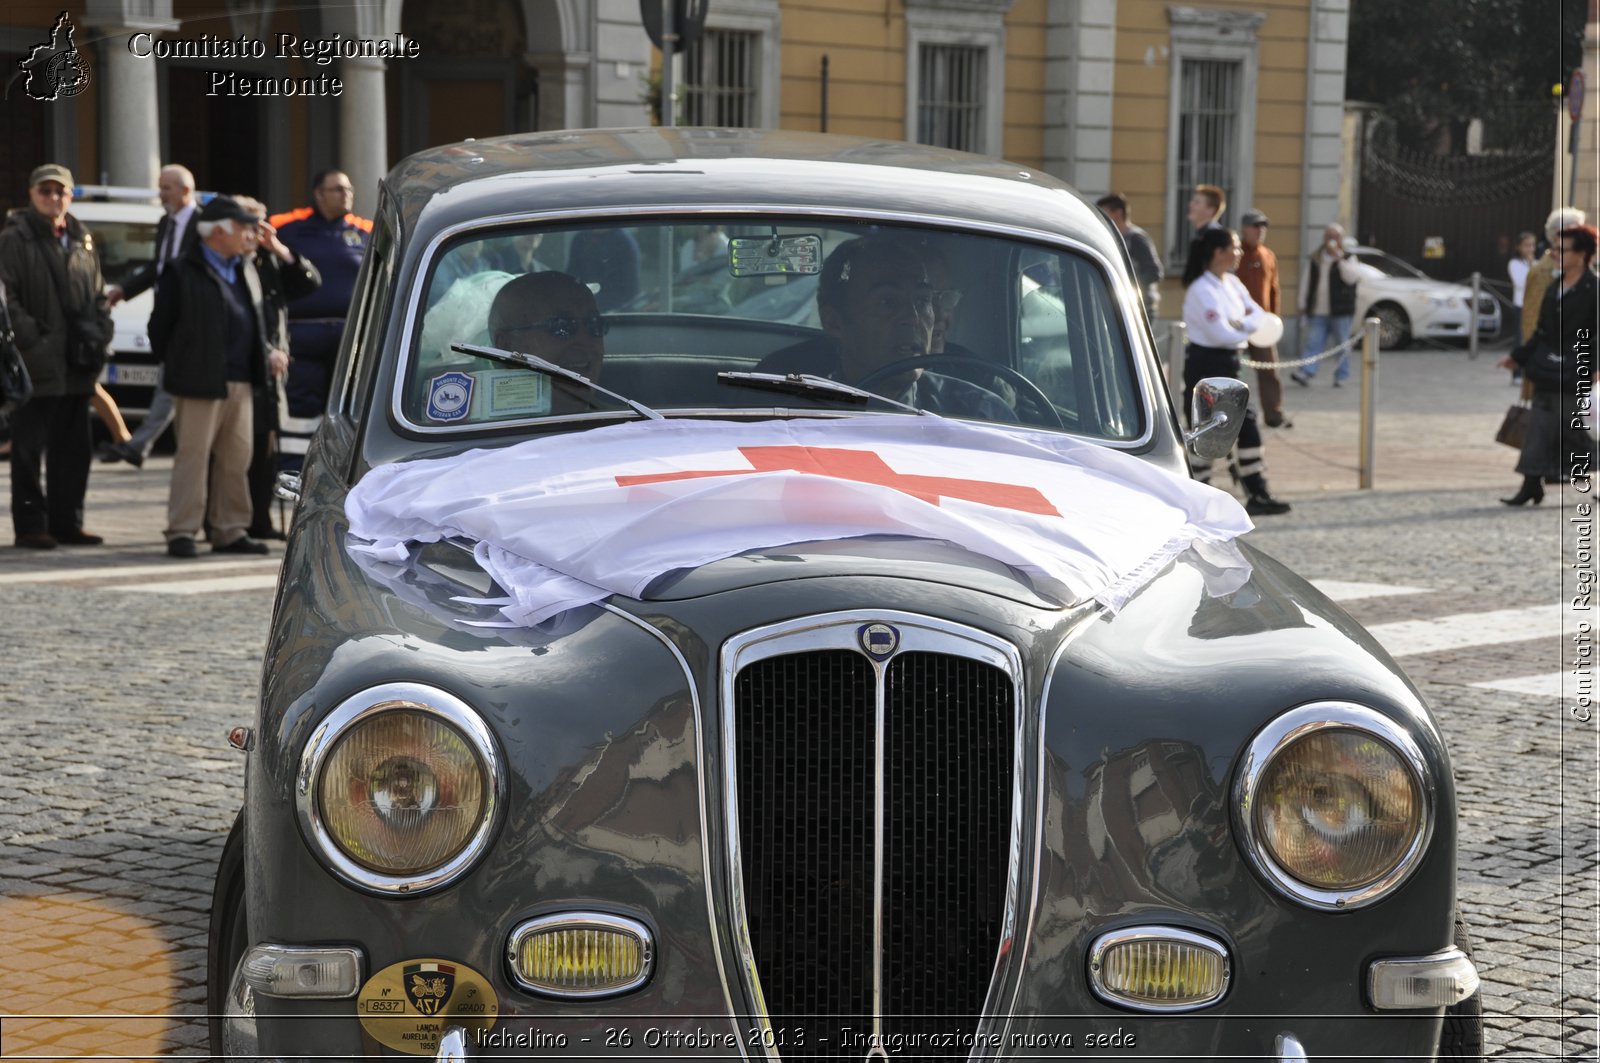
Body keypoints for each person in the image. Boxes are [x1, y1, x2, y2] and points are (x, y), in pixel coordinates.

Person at [149, 195, 287, 558]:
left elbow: (257, 321)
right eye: (244, 229)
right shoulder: (182, 270)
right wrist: (183, 364)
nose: (250, 236)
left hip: (242, 380)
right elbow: (159, 330)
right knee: (192, 458)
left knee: (236, 459)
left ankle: (230, 529)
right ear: (219, 232)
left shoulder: (245, 269)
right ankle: (182, 530)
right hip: (198, 381)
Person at [753, 234, 1013, 420]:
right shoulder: (781, 411)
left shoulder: (979, 414)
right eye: (888, 302)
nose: (912, 318)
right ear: (834, 321)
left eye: (922, 301)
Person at [0, 163, 114, 549]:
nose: (53, 198)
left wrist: (101, 331)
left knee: (74, 450)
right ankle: (31, 526)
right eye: (45, 191)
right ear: (32, 195)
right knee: (29, 451)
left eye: (60, 191)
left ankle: (69, 522)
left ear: (70, 195)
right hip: (38, 361)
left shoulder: (81, 237)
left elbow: (99, 293)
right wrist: (33, 338)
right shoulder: (16, 238)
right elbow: (6, 297)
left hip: (77, 360)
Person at [1180, 226, 1290, 516]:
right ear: (1219, 252)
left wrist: (1241, 324)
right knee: (1206, 429)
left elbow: (1258, 315)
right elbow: (1220, 334)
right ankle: (1198, 493)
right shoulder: (1201, 289)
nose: (1239, 253)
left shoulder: (1232, 284)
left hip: (1231, 361)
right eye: (1235, 248)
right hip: (1207, 361)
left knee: (1248, 425)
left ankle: (1257, 489)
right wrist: (1243, 326)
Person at [270, 169, 372, 470]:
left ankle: (342, 469)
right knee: (300, 409)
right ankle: (293, 470)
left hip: (351, 337)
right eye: (338, 189)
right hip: (302, 335)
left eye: (349, 189)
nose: (347, 194)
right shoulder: (286, 226)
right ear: (319, 194)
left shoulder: (366, 230)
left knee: (349, 408)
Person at [101, 164, 200, 467]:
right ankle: (140, 445)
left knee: (168, 384)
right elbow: (158, 269)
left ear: (185, 190)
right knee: (169, 384)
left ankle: (139, 444)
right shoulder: (164, 223)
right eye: (160, 187)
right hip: (164, 317)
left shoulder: (204, 224)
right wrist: (124, 290)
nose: (161, 194)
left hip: (191, 320)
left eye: (166, 187)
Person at [235, 195, 320, 539]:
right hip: (247, 366)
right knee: (239, 449)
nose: (256, 234)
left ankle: (260, 519)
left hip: (273, 369)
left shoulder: (267, 259)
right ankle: (233, 520)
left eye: (260, 226)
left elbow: (309, 283)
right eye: (250, 226)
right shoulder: (232, 263)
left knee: (267, 447)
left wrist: (279, 248)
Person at [1497, 223, 1600, 506]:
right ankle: (1531, 484)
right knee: (1539, 426)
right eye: (1554, 248)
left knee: (1578, 431)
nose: (1555, 254)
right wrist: (1517, 357)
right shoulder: (1555, 286)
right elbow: (1542, 330)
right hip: (1546, 367)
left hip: (1576, 369)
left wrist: (1595, 367)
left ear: (1583, 254)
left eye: (1562, 249)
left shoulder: (1594, 288)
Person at [488, 270, 607, 416]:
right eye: (561, 326)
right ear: (507, 347)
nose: (584, 340)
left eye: (594, 325)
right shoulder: (473, 434)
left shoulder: (628, 425)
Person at [1290, 222, 1364, 387]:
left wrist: (1339, 259)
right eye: (1329, 236)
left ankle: (1341, 376)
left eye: (1336, 236)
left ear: (1341, 240)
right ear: (1324, 238)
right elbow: (1306, 282)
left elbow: (1352, 278)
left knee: (1342, 344)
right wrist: (1302, 303)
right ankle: (1306, 372)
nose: (1332, 239)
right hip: (1318, 310)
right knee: (1313, 342)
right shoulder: (1316, 257)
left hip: (1341, 311)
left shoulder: (1348, 257)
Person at [1236, 209, 1289, 428]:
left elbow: (1274, 289)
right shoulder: (1235, 254)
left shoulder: (1268, 255)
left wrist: (1273, 318)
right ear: (1245, 229)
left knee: (1270, 371)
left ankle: (1274, 414)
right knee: (1234, 370)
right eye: (1256, 226)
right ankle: (1230, 414)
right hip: (1237, 324)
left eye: (1263, 226)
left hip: (1262, 325)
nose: (1260, 231)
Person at [1095, 193, 1163, 315]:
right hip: (1125, 306)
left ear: (1118, 213)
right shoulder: (1113, 238)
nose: (1100, 217)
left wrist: (1128, 285)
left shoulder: (1136, 238)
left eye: (1103, 212)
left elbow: (1154, 272)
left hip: (1142, 308)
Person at [566, 228, 641, 312]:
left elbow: (629, 292)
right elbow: (571, 279)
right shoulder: (580, 239)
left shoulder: (624, 243)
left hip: (613, 315)